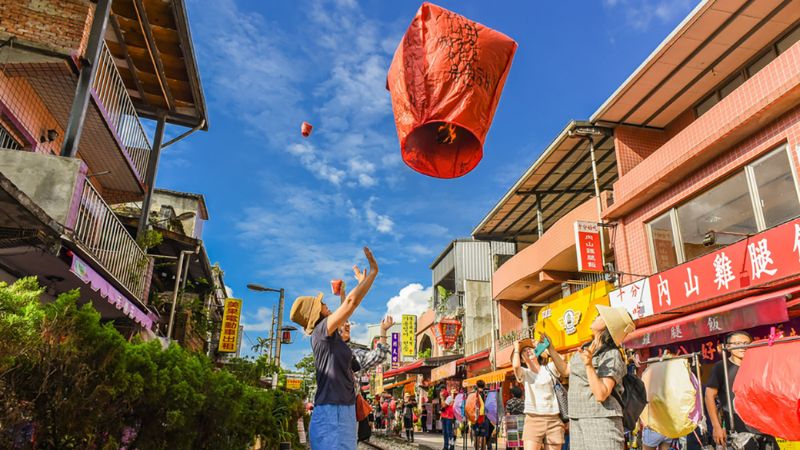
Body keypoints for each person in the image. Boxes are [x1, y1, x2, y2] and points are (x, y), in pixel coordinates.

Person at [289, 247, 378, 450]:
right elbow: (350, 303)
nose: (324, 303)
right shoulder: (322, 331)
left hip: (339, 411)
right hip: (334, 413)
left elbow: (346, 307)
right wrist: (373, 273)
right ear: (315, 313)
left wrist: (359, 284)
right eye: (320, 303)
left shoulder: (328, 336)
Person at [549, 305, 635, 450]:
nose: (596, 316)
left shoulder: (611, 354)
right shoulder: (586, 347)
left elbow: (601, 394)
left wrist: (589, 365)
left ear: (608, 326)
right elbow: (566, 370)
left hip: (601, 420)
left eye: (601, 316)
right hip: (577, 418)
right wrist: (551, 349)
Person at [706, 331, 777, 450]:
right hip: (738, 430)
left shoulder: (758, 365)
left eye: (746, 343)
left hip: (765, 426)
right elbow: (709, 396)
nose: (742, 346)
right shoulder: (721, 367)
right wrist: (716, 426)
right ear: (728, 347)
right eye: (737, 343)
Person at [512, 339, 564, 450]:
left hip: (553, 419)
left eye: (530, 349)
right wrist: (516, 348)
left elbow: (561, 359)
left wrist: (543, 347)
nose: (528, 351)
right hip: (533, 419)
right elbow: (516, 366)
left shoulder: (549, 368)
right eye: (524, 351)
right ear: (521, 358)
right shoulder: (524, 373)